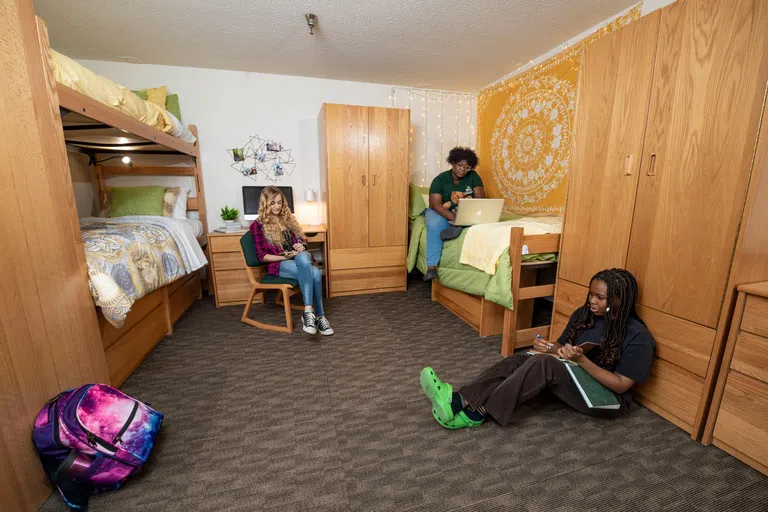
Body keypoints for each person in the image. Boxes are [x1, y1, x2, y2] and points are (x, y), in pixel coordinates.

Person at [420, 268, 654, 428]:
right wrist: (548, 346)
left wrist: (581, 361)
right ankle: (459, 400)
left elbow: (621, 385)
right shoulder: (584, 315)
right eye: (591, 294)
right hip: (576, 375)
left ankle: (477, 411)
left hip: (607, 400)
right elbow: (562, 347)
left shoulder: (638, 335)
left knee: (544, 363)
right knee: (522, 358)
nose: (592, 301)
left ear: (619, 300)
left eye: (600, 298)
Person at [250, 186, 333, 336]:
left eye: (280, 202)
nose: (277, 206)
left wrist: (302, 244)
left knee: (302, 256)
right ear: (265, 204)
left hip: (299, 259)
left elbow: (302, 238)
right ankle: (319, 316)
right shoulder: (258, 225)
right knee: (314, 272)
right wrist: (285, 257)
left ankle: (308, 312)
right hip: (279, 264)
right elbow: (262, 256)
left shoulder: (288, 218)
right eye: (273, 203)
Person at [423, 147, 485, 281]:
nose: (463, 169)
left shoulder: (473, 176)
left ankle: (457, 226)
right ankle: (431, 267)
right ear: (453, 163)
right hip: (440, 211)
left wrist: (464, 214)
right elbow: (435, 204)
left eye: (467, 167)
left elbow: (480, 199)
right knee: (435, 224)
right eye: (460, 165)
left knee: (482, 221)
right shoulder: (440, 179)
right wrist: (453, 217)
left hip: (464, 211)